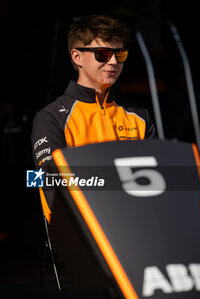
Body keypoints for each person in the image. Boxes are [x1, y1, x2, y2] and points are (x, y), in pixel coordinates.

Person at [31, 14, 156, 223]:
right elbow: (50, 183)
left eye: (120, 54)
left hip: (142, 231)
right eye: (103, 54)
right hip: (83, 240)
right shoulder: (50, 118)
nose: (114, 61)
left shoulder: (140, 117)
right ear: (77, 57)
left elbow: (156, 184)